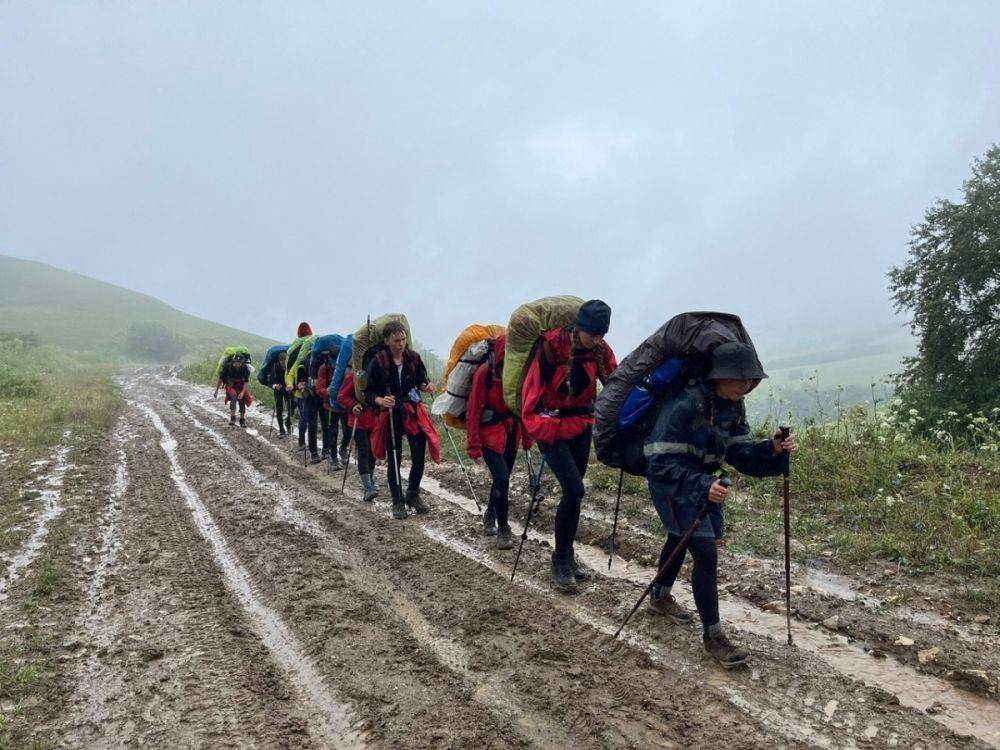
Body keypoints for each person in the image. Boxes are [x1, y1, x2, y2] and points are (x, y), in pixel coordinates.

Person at [644, 341, 797, 668]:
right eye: (739, 377)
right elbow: (658, 464)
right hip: (673, 484)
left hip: (701, 483)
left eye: (750, 379)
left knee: (679, 536)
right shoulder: (684, 405)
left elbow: (740, 455)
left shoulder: (732, 406)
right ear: (718, 377)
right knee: (705, 551)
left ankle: (658, 597)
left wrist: (772, 450)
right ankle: (713, 637)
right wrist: (701, 484)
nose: (746, 384)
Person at [520, 300, 617, 591]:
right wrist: (540, 427)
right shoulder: (551, 347)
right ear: (579, 327)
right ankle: (560, 560)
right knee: (575, 489)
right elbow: (531, 393)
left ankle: (568, 556)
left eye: (602, 334)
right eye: (594, 334)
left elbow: (616, 381)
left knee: (573, 496)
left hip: (581, 427)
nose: (599, 340)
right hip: (551, 428)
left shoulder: (600, 350)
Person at [364, 321, 440, 520]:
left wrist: (426, 386)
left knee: (418, 455)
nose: (401, 344)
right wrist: (381, 400)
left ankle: (413, 494)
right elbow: (368, 393)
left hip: (411, 411)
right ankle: (397, 501)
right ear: (387, 340)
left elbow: (421, 379)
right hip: (390, 414)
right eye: (396, 340)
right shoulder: (378, 361)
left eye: (403, 339)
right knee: (394, 458)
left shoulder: (413, 358)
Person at [465, 334, 527, 550]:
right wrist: (473, 445)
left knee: (503, 478)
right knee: (501, 478)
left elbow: (523, 406)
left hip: (511, 431)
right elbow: (473, 410)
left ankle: (490, 514)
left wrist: (527, 437)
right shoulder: (485, 373)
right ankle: (503, 529)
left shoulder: (519, 373)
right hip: (489, 433)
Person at [336, 365, 379, 501]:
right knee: (364, 450)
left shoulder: (380, 374)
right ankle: (368, 488)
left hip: (375, 421)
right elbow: (341, 396)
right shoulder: (354, 376)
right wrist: (353, 405)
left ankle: (370, 481)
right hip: (358, 420)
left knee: (373, 452)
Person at [316, 349, 352, 469]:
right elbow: (319, 388)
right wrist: (325, 391)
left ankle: (342, 449)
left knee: (348, 431)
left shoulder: (347, 367)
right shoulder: (324, 368)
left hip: (345, 405)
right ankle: (333, 458)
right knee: (333, 431)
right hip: (330, 405)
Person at [214, 352, 253, 427]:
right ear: (233, 361)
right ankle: (232, 418)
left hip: (241, 386)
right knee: (234, 396)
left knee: (242, 400)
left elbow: (246, 382)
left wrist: (242, 393)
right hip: (230, 385)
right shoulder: (227, 367)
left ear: (242, 362)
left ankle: (242, 420)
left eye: (239, 363)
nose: (237, 364)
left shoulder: (244, 368)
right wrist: (216, 390)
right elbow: (221, 379)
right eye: (236, 362)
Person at [268, 350, 289, 437]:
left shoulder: (289, 367)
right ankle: (281, 429)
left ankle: (288, 422)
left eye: (284, 361)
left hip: (288, 390)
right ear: (279, 360)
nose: (283, 363)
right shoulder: (275, 368)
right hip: (278, 391)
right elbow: (270, 382)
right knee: (279, 409)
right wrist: (275, 385)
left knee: (290, 408)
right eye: (282, 361)